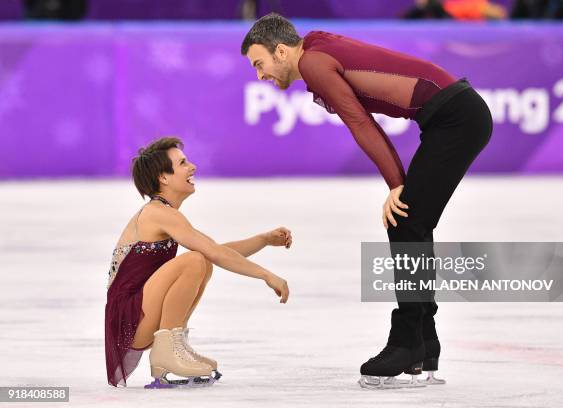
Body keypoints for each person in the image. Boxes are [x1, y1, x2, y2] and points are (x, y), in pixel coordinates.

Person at [241, 13, 492, 389]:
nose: (260, 75)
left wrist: (395, 184)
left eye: (259, 64)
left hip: (457, 118)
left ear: (281, 51)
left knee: (405, 219)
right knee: (411, 222)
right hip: (456, 114)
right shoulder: (313, 45)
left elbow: (361, 122)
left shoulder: (311, 61)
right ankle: (424, 341)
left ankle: (410, 341)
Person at [105, 136, 292, 388]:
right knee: (195, 260)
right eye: (183, 163)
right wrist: (265, 275)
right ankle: (167, 350)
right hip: (128, 317)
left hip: (137, 314)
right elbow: (211, 252)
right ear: (164, 177)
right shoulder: (157, 213)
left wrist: (263, 240)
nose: (192, 167)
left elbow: (214, 251)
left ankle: (173, 345)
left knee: (201, 260)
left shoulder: (167, 214)